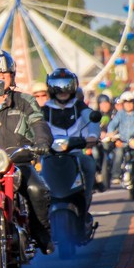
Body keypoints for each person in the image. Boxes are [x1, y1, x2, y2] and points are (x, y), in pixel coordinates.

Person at [0, 49, 54, 255]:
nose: (1, 78)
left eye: (5, 74)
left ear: (12, 75)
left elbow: (39, 124)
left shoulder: (25, 101)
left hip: (18, 160)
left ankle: (42, 234)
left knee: (38, 189)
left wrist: (41, 141)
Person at [41, 68, 99, 220]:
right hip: (50, 155)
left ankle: (85, 205)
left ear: (74, 87)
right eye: (58, 86)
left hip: (75, 153)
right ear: (51, 88)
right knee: (37, 177)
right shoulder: (44, 110)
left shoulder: (80, 107)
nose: (63, 90)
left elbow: (92, 121)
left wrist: (92, 136)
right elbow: (36, 127)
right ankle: (41, 217)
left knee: (89, 165)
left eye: (67, 85)